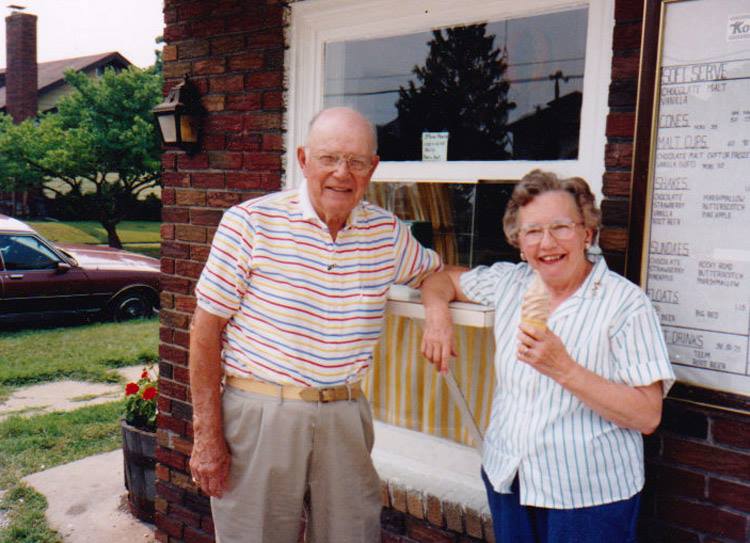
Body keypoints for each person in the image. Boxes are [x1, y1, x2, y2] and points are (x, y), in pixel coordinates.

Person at [188, 107, 442, 543]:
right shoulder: (251, 223)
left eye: (357, 161)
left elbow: (436, 273)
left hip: (344, 414)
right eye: (329, 158)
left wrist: (437, 313)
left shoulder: (387, 233)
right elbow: (204, 332)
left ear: (373, 168)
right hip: (262, 413)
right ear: (304, 160)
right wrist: (207, 436)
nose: (342, 173)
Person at [420, 169, 674, 543]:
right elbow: (440, 279)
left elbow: (647, 414)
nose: (547, 242)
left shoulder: (625, 305)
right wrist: (437, 317)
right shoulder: (511, 282)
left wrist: (564, 369)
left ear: (587, 232)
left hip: (588, 498)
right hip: (510, 479)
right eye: (533, 231)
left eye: (561, 227)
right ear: (519, 243)